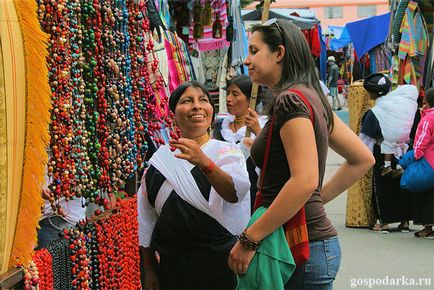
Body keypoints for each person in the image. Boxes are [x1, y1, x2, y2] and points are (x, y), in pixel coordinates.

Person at [227, 18, 375, 289]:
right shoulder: (311, 96)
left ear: (279, 53)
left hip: (299, 245)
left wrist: (249, 239)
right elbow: (362, 158)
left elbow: (305, 180)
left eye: (254, 50)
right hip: (312, 242)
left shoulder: (290, 100)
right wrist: (314, 200)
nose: (247, 60)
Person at [137, 81, 251, 289]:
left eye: (203, 100)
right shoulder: (159, 163)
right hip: (174, 270)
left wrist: (205, 163)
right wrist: (150, 269)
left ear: (211, 114)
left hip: (221, 267)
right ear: (173, 116)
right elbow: (146, 221)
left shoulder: (227, 153)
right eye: (187, 101)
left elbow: (235, 193)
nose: (196, 106)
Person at [361, 73, 418, 233]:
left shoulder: (376, 112)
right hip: (404, 151)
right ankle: (405, 222)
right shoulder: (406, 105)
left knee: (383, 187)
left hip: (383, 153)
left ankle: (384, 222)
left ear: (373, 93)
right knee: (404, 185)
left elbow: (367, 138)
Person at [213, 75, 269, 210]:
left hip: (252, 195)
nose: (228, 99)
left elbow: (271, 158)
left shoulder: (263, 126)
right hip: (224, 192)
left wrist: (258, 131)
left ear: (251, 99)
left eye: (235, 94)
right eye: (228, 93)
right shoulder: (221, 127)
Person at [412, 88, 434, 239]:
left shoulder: (428, 118)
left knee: (426, 194)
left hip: (428, 162)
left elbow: (421, 140)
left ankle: (427, 228)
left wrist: (416, 155)